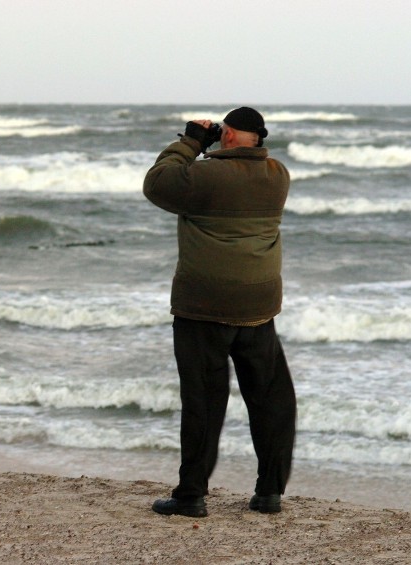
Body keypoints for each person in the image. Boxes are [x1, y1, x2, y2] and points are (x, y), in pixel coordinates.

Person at [142, 107, 296, 517]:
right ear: (258, 139)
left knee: (204, 402)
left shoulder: (204, 176)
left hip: (203, 307)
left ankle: (191, 495)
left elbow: (157, 183)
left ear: (226, 137)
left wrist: (192, 140)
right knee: (270, 399)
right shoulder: (278, 175)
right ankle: (269, 493)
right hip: (258, 306)